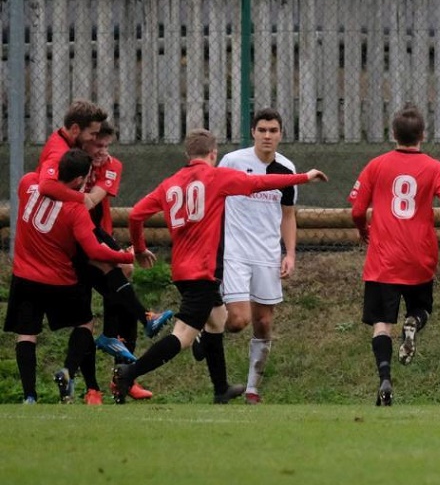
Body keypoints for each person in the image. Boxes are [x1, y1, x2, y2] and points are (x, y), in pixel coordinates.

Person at [112, 129, 328, 404]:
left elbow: (136, 214)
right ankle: (130, 373)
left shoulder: (170, 184)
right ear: (213, 154)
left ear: (187, 154)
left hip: (182, 270)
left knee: (217, 321)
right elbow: (260, 182)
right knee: (183, 337)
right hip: (202, 271)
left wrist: (140, 248)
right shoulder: (216, 177)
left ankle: (220, 388)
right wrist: (303, 177)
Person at [348, 104, 440, 406]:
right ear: (422, 135)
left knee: (381, 324)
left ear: (393, 134)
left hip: (383, 259)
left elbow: (355, 209)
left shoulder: (376, 165)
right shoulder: (433, 167)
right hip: (419, 256)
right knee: (422, 308)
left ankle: (385, 377)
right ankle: (413, 321)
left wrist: (363, 229)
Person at [4, 150, 134, 404]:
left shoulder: (27, 182)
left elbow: (42, 181)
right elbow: (95, 250)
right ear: (78, 180)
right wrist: (128, 256)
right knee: (84, 323)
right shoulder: (74, 209)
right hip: (58, 278)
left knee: (27, 335)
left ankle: (29, 395)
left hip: (24, 275)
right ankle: (67, 370)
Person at [76, 121, 172, 404]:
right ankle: (92, 388)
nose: (103, 151)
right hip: (74, 244)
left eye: (107, 145)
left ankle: (124, 378)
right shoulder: (72, 163)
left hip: (97, 235)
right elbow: (77, 205)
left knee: (122, 288)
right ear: (84, 139)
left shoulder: (111, 166)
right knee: (85, 318)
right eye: (97, 144)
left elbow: (90, 203)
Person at [215, 108, 299, 405]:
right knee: (238, 320)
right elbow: (215, 201)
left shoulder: (287, 169)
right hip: (235, 252)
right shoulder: (232, 162)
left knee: (263, 322)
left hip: (267, 255)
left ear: (280, 134)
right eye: (262, 130)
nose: (267, 135)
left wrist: (289, 253)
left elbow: (287, 215)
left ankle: (252, 389)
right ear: (253, 132)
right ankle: (208, 330)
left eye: (273, 130)